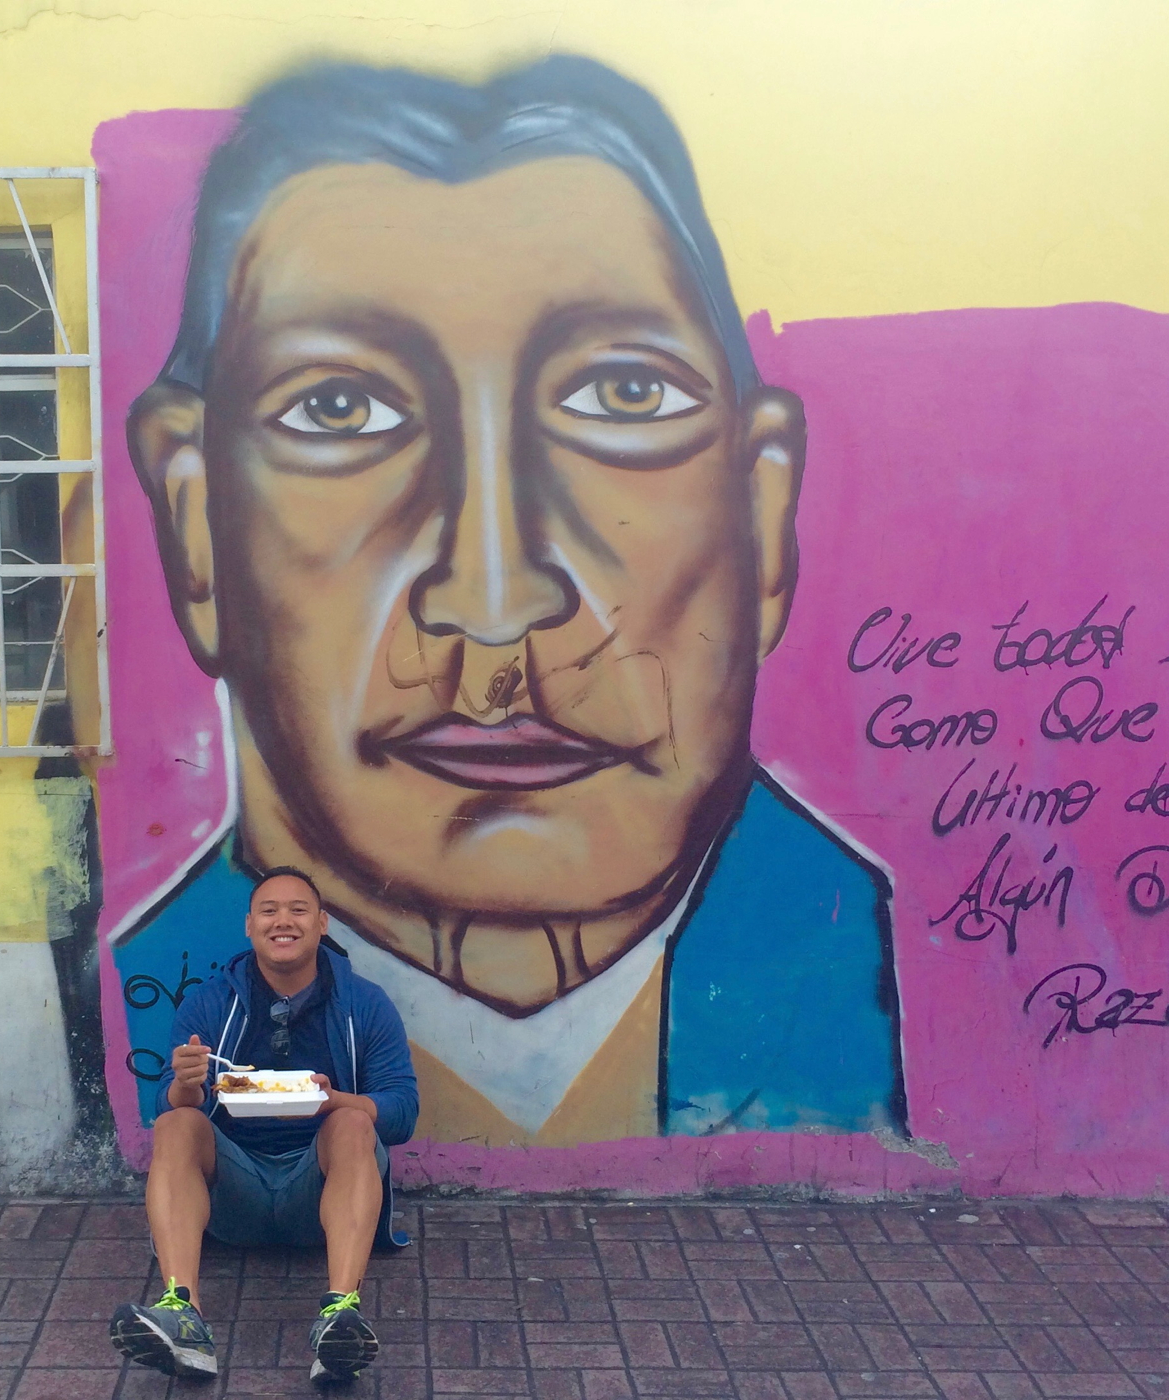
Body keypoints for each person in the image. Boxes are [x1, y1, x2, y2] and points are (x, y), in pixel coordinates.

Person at [113, 55, 903, 1148]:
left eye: (625, 394)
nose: (493, 600)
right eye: (339, 407)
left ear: (764, 521)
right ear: (195, 533)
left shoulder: (876, 963)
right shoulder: (135, 994)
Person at [109, 867, 419, 1383]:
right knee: (176, 1126)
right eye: (269, 910)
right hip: (233, 1197)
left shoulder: (364, 1004)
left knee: (352, 1123)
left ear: (322, 924)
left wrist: (332, 1101)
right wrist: (184, 1085)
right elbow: (173, 1102)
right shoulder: (209, 1004)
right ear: (249, 926)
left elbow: (403, 1111)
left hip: (320, 1197)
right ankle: (183, 1314)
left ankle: (339, 1315)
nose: (284, 921)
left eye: (298, 910)